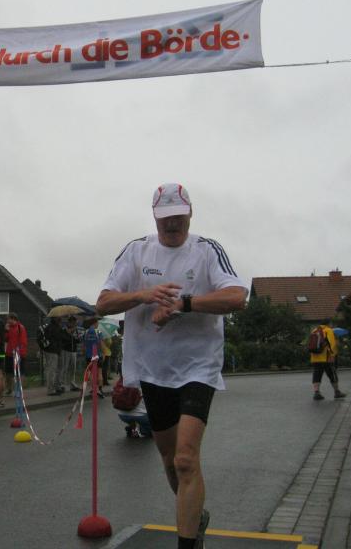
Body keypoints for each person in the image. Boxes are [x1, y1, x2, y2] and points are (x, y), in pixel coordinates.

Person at [96, 182, 248, 549]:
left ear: (190, 213)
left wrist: (185, 304)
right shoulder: (137, 251)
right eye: (165, 217)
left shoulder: (207, 250)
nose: (172, 224)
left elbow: (237, 297)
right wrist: (142, 295)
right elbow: (103, 303)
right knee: (169, 460)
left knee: (185, 459)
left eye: (178, 216)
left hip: (198, 367)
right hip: (153, 368)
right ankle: (196, 516)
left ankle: (188, 542)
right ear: (154, 217)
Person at [310, 322, 346, 400]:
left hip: (315, 358)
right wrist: (332, 355)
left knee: (317, 375)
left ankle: (316, 392)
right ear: (328, 324)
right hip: (326, 358)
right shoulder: (328, 330)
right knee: (332, 374)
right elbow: (331, 344)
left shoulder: (314, 331)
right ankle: (337, 392)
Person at [4, 312, 28, 396]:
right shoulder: (8, 328)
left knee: (19, 373)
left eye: (8, 319)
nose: (7, 321)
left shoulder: (20, 327)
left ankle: (19, 390)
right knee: (8, 372)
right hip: (9, 353)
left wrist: (20, 353)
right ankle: (9, 389)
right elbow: (5, 339)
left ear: (13, 319)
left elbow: (23, 342)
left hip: (18, 354)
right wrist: (6, 330)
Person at [83, 317, 105, 399]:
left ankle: (93, 389)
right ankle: (99, 390)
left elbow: (84, 346)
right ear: (94, 323)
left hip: (89, 356)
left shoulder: (85, 332)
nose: (98, 324)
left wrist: (85, 353)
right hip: (97, 355)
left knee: (91, 373)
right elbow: (101, 344)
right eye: (97, 323)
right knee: (99, 373)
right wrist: (103, 353)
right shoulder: (98, 332)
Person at [43, 317, 65, 395]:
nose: (61, 318)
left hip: (57, 350)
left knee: (58, 369)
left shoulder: (57, 326)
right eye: (59, 317)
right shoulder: (51, 327)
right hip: (52, 351)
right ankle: (50, 390)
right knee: (52, 370)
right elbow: (57, 337)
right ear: (55, 318)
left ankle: (57, 387)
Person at [60, 316, 81, 392]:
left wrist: (77, 338)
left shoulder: (76, 330)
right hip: (66, 350)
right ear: (69, 322)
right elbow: (63, 339)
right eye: (73, 322)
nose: (74, 324)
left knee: (73, 368)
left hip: (73, 350)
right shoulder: (64, 329)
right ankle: (62, 384)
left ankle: (72, 384)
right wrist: (70, 334)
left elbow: (78, 340)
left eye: (75, 322)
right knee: (65, 367)